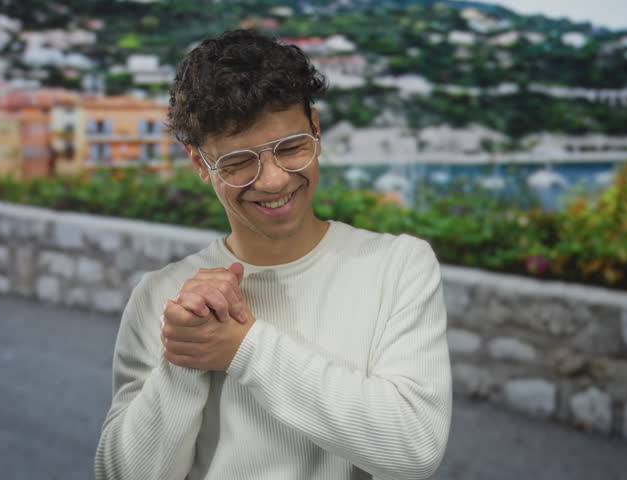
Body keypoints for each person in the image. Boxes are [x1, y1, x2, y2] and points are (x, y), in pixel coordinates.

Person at [95, 29, 452, 480]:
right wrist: (183, 358)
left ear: (316, 129)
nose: (274, 181)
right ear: (199, 164)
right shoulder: (160, 296)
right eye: (238, 162)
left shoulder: (398, 266)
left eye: (291, 148)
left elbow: (415, 448)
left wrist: (244, 349)